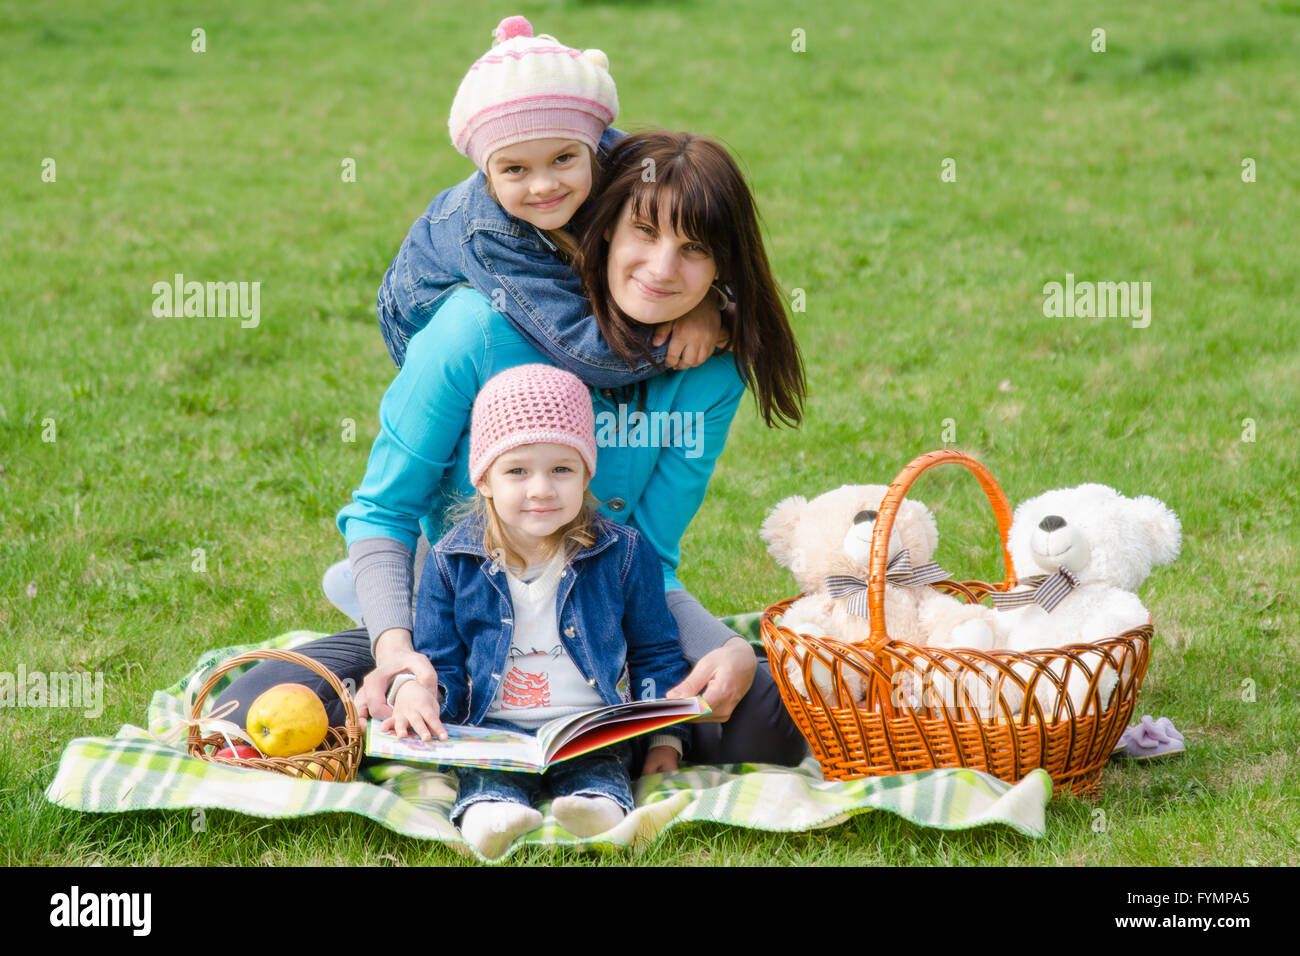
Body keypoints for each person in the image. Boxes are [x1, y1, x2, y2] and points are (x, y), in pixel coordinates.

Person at [216, 130, 808, 769]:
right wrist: (395, 649)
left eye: (695, 250)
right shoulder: (472, 332)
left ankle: (630, 726)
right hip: (453, 612)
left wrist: (729, 650)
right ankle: (395, 675)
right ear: (605, 228)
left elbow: (650, 555)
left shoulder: (708, 374)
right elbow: (382, 513)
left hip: (594, 614)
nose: (663, 269)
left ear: (725, 267)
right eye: (644, 233)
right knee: (246, 711)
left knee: (768, 723)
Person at [384, 363, 692, 858]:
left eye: (562, 469)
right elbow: (441, 663)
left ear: (587, 472)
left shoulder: (625, 554)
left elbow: (656, 653)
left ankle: (595, 810)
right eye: (518, 471)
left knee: (602, 771)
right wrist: (420, 699)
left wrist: (666, 741)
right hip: (492, 730)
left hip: (588, 726)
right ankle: (492, 816)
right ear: (484, 478)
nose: (542, 489)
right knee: (487, 781)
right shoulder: (450, 562)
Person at [377, 14, 723, 381]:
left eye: (563, 159)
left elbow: (698, 222)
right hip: (430, 320)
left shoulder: (624, 162)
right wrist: (679, 335)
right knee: (537, 360)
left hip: (550, 275)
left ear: (592, 143)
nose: (543, 186)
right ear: (487, 171)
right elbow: (586, 353)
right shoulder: (491, 232)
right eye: (515, 169)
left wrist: (709, 300)